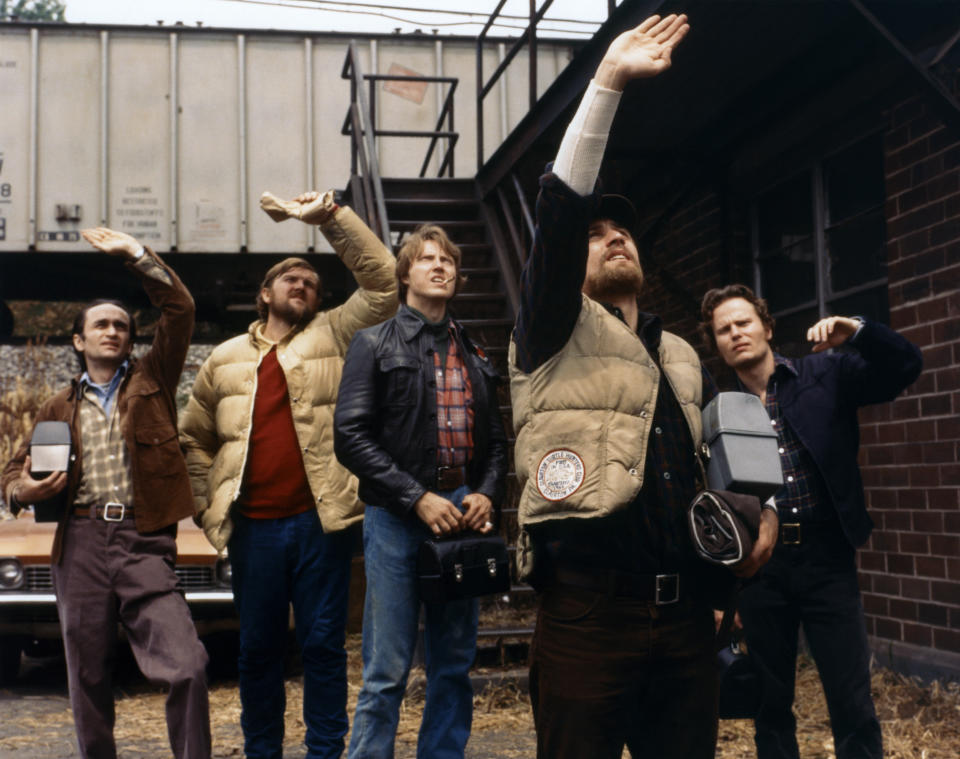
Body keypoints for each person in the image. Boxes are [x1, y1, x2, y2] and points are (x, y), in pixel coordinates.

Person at [507, 14, 779, 759]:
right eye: (596, 235)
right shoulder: (548, 327)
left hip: (688, 615)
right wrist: (606, 85)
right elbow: (561, 212)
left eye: (621, 230)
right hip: (588, 614)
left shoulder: (686, 356)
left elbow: (703, 470)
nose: (613, 236)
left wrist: (758, 518)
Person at [179, 190, 397, 759]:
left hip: (320, 525)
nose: (301, 285)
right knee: (258, 651)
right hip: (254, 529)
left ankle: (325, 752)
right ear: (264, 294)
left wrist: (331, 217)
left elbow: (384, 284)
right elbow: (193, 440)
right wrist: (209, 508)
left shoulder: (335, 335)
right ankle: (262, 752)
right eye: (289, 279)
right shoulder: (224, 358)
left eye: (310, 283)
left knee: (324, 647)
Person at [1, 227, 210, 759]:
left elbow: (180, 308)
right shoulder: (54, 408)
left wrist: (137, 257)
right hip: (82, 542)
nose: (112, 331)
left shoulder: (154, 381)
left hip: (144, 539)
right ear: (79, 341)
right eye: (101, 325)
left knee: (187, 665)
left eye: (121, 325)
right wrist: (22, 488)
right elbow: (11, 475)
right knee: (87, 676)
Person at [700, 284, 922, 759]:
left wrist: (859, 331)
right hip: (762, 568)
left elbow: (907, 365)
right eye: (724, 329)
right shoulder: (716, 413)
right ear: (715, 344)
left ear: (767, 326)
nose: (736, 333)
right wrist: (722, 590)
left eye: (743, 322)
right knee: (771, 705)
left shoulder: (825, 373)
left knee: (852, 700)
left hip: (827, 559)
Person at [333, 224, 508, 759]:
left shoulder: (475, 350)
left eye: (448, 261)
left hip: (461, 518)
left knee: (453, 664)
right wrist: (416, 497)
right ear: (405, 273)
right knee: (386, 668)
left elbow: (498, 444)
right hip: (395, 518)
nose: (439, 267)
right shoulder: (373, 342)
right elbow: (350, 437)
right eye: (426, 259)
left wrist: (485, 494)